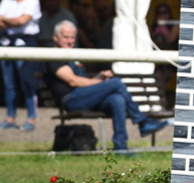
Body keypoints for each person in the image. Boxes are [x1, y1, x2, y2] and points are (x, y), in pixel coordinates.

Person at [44, 21, 170, 151]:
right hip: (71, 100)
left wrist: (98, 78)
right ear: (55, 37)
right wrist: (100, 83)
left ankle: (120, 147)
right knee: (115, 83)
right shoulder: (53, 54)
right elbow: (73, 81)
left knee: (117, 99)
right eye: (66, 37)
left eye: (72, 37)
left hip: (84, 97)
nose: (70, 41)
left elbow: (82, 81)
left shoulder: (71, 54)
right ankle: (142, 122)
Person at [0, 0, 42, 131]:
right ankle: (10, 117)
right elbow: (12, 21)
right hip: (7, 43)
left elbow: (23, 21)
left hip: (25, 44)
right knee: (8, 84)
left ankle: (31, 118)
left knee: (26, 81)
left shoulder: (32, 1)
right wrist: (14, 21)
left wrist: (6, 20)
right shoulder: (6, 0)